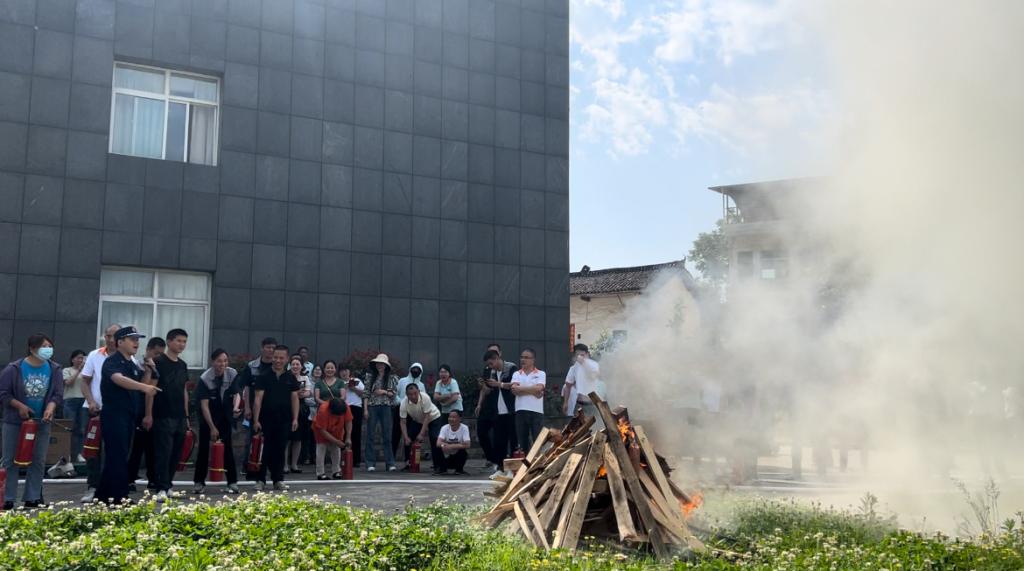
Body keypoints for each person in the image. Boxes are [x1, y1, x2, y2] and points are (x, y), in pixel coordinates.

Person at [94, 326, 161, 505]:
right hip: (114, 415)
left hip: (129, 415)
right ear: (120, 342)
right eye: (132, 339)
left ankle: (101, 496)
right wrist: (144, 387)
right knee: (117, 455)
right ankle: (119, 496)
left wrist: (149, 371)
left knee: (119, 455)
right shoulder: (112, 361)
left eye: (137, 339)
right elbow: (119, 379)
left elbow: (140, 385)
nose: (136, 343)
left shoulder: (131, 363)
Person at [0, 333, 63, 509]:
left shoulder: (55, 369)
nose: (48, 350)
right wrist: (19, 406)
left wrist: (50, 408)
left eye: (50, 346)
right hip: (15, 421)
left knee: (38, 459)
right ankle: (8, 497)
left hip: (42, 421)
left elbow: (58, 394)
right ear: (32, 348)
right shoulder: (14, 368)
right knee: (10, 459)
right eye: (44, 346)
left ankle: (33, 497)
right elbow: (3, 393)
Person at [78, 323, 119, 503]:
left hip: (116, 412)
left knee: (114, 450)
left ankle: (110, 487)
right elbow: (84, 381)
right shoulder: (95, 355)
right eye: (107, 336)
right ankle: (92, 486)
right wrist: (91, 401)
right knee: (92, 451)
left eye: (114, 336)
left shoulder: (127, 357)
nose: (110, 340)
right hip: (94, 411)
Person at [149, 329, 191, 502]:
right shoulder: (158, 362)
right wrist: (148, 414)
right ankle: (160, 487)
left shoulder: (182, 365)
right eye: (178, 340)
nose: (182, 344)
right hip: (162, 414)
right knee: (163, 452)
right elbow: (150, 389)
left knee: (176, 453)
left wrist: (187, 416)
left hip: (179, 415)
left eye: (184, 341)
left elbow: (184, 391)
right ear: (169, 341)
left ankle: (168, 485)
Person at [193, 349, 241, 494]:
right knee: (203, 450)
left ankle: (232, 482)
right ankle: (199, 482)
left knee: (227, 449)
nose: (222, 364)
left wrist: (236, 407)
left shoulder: (232, 373)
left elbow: (237, 393)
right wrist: (212, 427)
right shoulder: (205, 379)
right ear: (212, 362)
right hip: (208, 417)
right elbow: (204, 406)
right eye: (219, 361)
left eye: (225, 361)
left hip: (225, 415)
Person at [252, 345, 300, 491]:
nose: (278, 360)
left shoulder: (290, 377)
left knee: (280, 450)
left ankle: (278, 479)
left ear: (287, 359)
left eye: (281, 358)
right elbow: (258, 399)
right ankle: (260, 480)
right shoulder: (263, 376)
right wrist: (256, 420)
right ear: (272, 357)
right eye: (276, 357)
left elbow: (295, 398)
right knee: (263, 450)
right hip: (265, 419)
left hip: (284, 419)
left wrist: (295, 418)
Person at [126, 337, 164, 493]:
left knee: (152, 448)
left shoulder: (159, 365)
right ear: (148, 350)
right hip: (139, 410)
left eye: (160, 354)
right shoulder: (137, 364)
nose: (158, 357)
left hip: (154, 410)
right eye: (156, 353)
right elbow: (143, 387)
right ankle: (130, 479)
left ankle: (153, 478)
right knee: (137, 447)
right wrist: (149, 369)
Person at [236, 337, 276, 480]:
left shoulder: (278, 366)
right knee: (252, 439)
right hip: (254, 408)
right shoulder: (252, 366)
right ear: (262, 348)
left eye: (273, 348)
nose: (270, 350)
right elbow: (246, 388)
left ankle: (268, 469)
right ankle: (249, 468)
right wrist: (247, 407)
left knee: (271, 440)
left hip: (272, 409)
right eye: (268, 347)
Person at [476, 347, 518, 477]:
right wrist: (484, 386)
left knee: (514, 441)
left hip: (511, 410)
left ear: (497, 358)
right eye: (488, 365)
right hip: (498, 412)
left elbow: (515, 385)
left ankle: (513, 469)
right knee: (499, 441)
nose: (490, 367)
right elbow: (489, 390)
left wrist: (498, 384)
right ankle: (501, 467)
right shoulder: (492, 372)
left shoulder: (511, 368)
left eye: (491, 363)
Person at [398, 383, 445, 475]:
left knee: (434, 438)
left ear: (419, 391)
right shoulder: (403, 403)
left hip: (433, 418)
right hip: (418, 420)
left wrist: (421, 434)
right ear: (406, 394)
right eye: (410, 394)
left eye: (415, 393)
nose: (413, 396)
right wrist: (406, 437)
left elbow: (427, 417)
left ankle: (439, 466)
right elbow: (402, 422)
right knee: (408, 438)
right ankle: (408, 463)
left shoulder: (425, 397)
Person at [363, 353, 398, 472]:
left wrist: (383, 391)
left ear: (386, 365)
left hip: (386, 406)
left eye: (382, 364)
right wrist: (365, 409)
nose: (380, 365)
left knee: (387, 435)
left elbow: (393, 394)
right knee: (370, 435)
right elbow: (366, 393)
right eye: (378, 363)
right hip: (372, 406)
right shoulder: (370, 376)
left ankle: (390, 462)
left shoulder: (392, 377)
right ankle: (370, 463)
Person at [511, 348, 546, 452]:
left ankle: (537, 461)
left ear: (533, 360)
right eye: (521, 357)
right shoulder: (516, 374)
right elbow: (514, 390)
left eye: (526, 357)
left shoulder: (541, 373)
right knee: (522, 443)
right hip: (520, 410)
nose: (523, 360)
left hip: (536, 412)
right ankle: (524, 462)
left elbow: (539, 388)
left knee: (537, 442)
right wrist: (533, 391)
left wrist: (521, 389)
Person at [395, 362, 426, 463]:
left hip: (413, 412)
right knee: (395, 434)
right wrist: (401, 402)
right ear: (410, 370)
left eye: (418, 370)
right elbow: (395, 393)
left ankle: (408, 460)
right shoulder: (402, 381)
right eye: (414, 369)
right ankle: (391, 460)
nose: (415, 371)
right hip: (399, 409)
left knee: (409, 435)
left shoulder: (421, 385)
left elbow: (423, 399)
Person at [313, 398, 352, 480]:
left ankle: (336, 471)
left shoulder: (345, 407)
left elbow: (348, 421)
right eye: (337, 415)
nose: (338, 416)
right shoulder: (323, 410)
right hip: (321, 430)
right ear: (331, 410)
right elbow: (322, 431)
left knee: (336, 450)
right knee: (321, 449)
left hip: (337, 429)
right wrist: (336, 441)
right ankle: (320, 473)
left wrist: (348, 437)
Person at [286, 356, 313, 474]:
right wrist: (297, 393)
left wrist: (301, 394)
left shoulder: (305, 378)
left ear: (301, 366)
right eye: (293, 364)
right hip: (287, 408)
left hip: (301, 410)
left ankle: (294, 464)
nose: (295, 366)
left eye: (297, 364)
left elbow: (308, 392)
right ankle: (284, 465)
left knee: (298, 439)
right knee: (286, 439)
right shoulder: (285, 377)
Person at [561, 344, 602, 418]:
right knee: (577, 424)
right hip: (579, 403)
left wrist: (584, 363)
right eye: (578, 355)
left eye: (582, 355)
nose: (580, 357)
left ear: (587, 354)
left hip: (592, 403)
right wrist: (566, 402)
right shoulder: (573, 368)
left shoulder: (594, 365)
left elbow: (593, 376)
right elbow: (568, 386)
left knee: (595, 423)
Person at [62, 349, 87, 462]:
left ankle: (80, 453)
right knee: (69, 428)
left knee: (82, 429)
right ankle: (67, 453)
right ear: (72, 359)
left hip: (83, 400)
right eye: (78, 358)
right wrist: (78, 371)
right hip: (70, 401)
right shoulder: (67, 370)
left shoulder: (87, 371)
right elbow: (68, 383)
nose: (80, 360)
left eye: (82, 358)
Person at [342, 365, 364, 468]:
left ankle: (356, 460)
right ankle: (343, 458)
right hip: (343, 407)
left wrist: (353, 388)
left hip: (356, 408)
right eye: (342, 371)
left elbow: (363, 393)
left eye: (346, 370)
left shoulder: (357, 380)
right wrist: (344, 388)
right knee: (343, 433)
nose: (344, 373)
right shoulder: (338, 382)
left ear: (349, 371)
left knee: (356, 433)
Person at [436, 410, 471, 475]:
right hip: (446, 455)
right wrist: (444, 445)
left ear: (460, 419)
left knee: (463, 451)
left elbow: (467, 444)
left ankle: (459, 470)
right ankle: (442, 469)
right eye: (450, 417)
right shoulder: (444, 428)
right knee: (438, 448)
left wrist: (451, 446)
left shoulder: (464, 428)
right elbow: (438, 443)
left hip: (457, 456)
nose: (451, 419)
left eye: (454, 417)